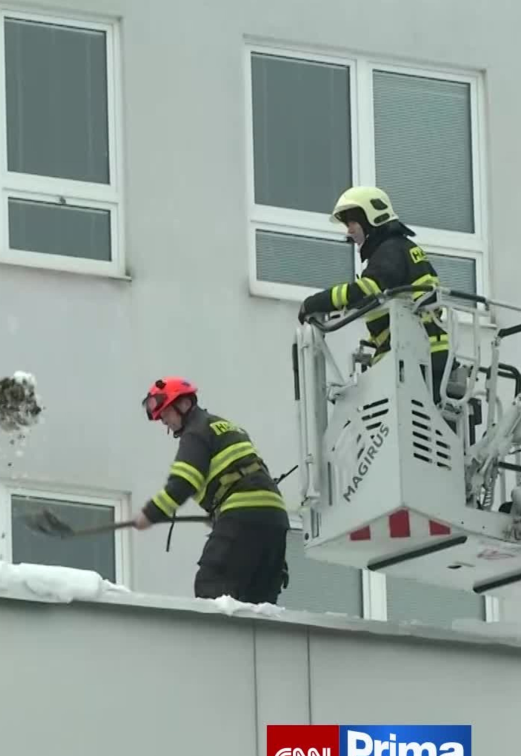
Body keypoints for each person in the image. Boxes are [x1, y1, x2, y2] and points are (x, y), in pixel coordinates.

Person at [133, 377, 290, 605]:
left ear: (184, 404)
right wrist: (218, 515)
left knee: (211, 585)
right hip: (275, 519)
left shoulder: (196, 431)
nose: (164, 421)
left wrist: (149, 514)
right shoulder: (227, 427)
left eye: (166, 413)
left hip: (242, 514)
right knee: (258, 603)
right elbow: (245, 474)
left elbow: (183, 483)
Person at [297, 186, 453, 405]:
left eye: (352, 222)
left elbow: (366, 291)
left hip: (413, 357)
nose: (349, 231)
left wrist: (315, 303)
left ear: (371, 218)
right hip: (426, 354)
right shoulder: (402, 248)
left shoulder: (390, 250)